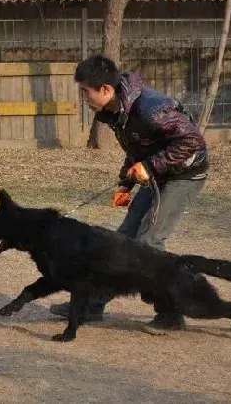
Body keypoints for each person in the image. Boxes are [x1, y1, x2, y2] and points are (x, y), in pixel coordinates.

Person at [49, 55, 209, 334]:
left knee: (148, 242)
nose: (83, 98)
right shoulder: (116, 110)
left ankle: (171, 314)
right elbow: (138, 146)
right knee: (121, 241)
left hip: (184, 175)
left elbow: (192, 141)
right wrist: (126, 182)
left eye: (85, 91)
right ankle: (91, 304)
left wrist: (150, 166)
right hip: (159, 173)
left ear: (106, 90)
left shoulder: (149, 108)